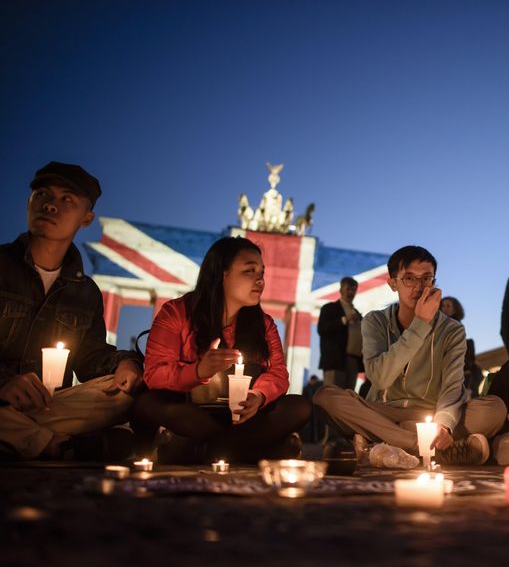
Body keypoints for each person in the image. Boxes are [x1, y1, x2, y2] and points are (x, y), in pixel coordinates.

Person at [0, 161, 143, 459]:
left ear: (87, 218)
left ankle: (20, 438)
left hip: (50, 405)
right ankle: (56, 445)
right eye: (42, 194)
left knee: (121, 395)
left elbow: (89, 358)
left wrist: (124, 365)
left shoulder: (85, 292)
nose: (51, 206)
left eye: (67, 199)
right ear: (29, 202)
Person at [314, 245, 507, 465]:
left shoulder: (452, 330)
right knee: (325, 398)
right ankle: (424, 448)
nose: (418, 286)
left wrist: (444, 425)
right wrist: (420, 324)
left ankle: (384, 440)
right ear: (393, 283)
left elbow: (452, 386)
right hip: (384, 412)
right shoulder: (374, 322)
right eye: (409, 278)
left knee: (495, 409)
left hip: (432, 414)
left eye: (426, 278)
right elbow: (380, 378)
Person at [134, 237, 311, 463]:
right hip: (193, 411)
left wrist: (258, 396)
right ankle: (249, 449)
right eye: (250, 271)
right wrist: (199, 371)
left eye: (262, 272)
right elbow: (155, 374)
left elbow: (278, 373)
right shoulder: (177, 312)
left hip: (242, 415)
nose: (260, 280)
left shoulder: (263, 324)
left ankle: (202, 450)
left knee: (300, 407)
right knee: (148, 404)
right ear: (222, 274)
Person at [318, 277, 363, 391]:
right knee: (332, 397)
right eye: (348, 289)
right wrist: (344, 320)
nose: (351, 292)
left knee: (348, 399)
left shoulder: (357, 313)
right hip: (336, 361)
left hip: (353, 361)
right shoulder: (330, 308)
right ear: (341, 290)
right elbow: (322, 329)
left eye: (353, 290)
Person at [440, 296, 483, 397]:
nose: (445, 308)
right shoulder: (437, 327)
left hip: (460, 376)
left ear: (455, 309)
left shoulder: (457, 327)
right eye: (443, 306)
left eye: (448, 305)